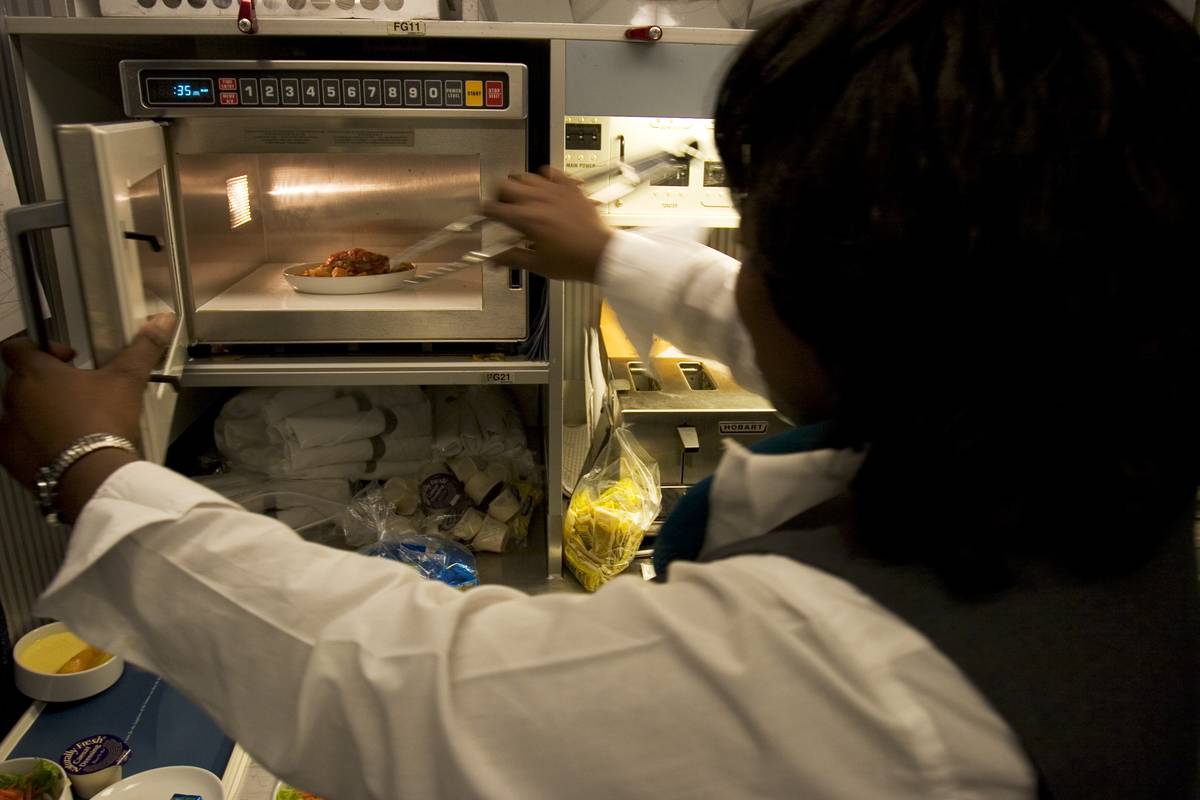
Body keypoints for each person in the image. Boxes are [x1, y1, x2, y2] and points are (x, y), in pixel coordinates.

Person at [2, 1, 1199, 798]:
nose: (749, 270)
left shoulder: (855, 682)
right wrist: (609, 254)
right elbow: (803, 337)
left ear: (863, 301)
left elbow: (403, 685)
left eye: (764, 234)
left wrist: (98, 471)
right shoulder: (1076, 430)